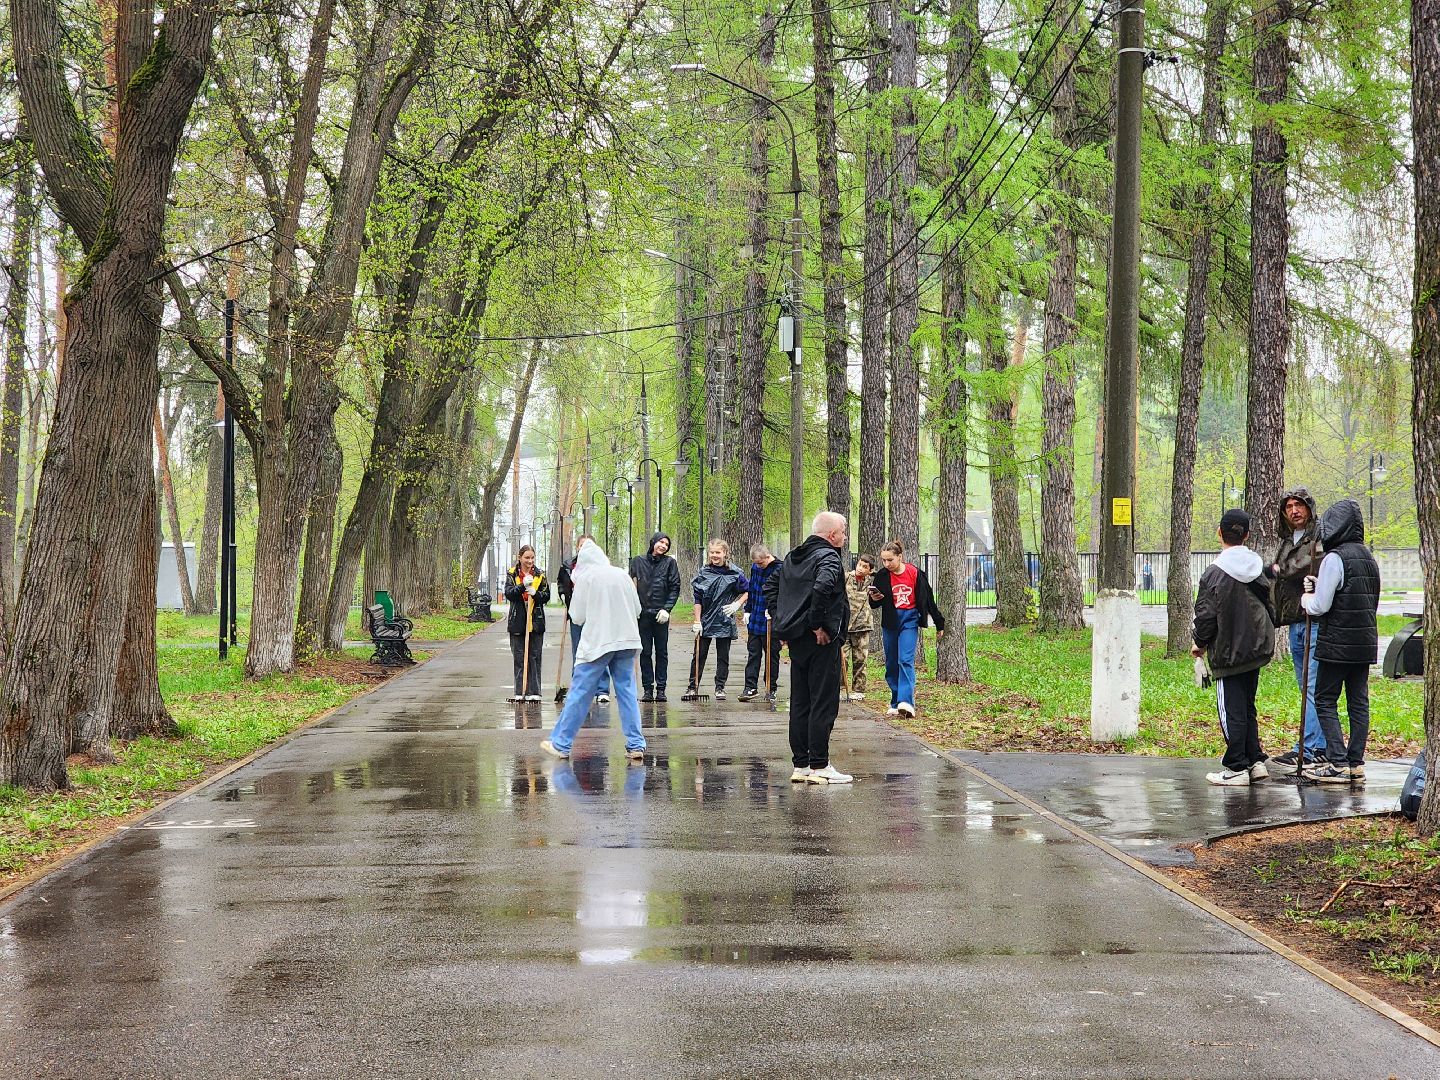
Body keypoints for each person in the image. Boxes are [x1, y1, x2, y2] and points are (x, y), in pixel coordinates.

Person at [764, 511, 851, 784]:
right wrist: (816, 625)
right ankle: (819, 765)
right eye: (843, 531)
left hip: (798, 639)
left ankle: (801, 764)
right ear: (832, 535)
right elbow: (822, 587)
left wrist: (783, 623)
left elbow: (771, 587)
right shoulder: (828, 558)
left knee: (800, 701)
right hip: (820, 639)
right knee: (823, 701)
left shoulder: (793, 557)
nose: (845, 537)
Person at [1191, 509, 1277, 787]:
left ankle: (1236, 767)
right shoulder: (1256, 568)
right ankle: (1255, 761)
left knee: (1231, 710)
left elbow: (1206, 615)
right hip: (1256, 648)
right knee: (1247, 706)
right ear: (1247, 535)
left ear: (1219, 532)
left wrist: (1199, 643)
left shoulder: (1214, 573)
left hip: (1228, 651)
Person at [541, 541, 646, 761]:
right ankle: (636, 744)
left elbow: (577, 616)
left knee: (580, 692)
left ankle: (561, 743)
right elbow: (637, 608)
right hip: (626, 640)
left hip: (598, 643)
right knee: (627, 692)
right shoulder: (622, 575)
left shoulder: (586, 578)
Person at [1301, 499, 1380, 784]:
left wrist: (1306, 598)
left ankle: (1337, 762)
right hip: (1364, 641)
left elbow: (1320, 605)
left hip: (1337, 643)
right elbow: (1362, 596)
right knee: (1358, 702)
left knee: (1324, 699)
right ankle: (1355, 762)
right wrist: (1319, 584)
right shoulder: (1368, 557)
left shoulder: (1334, 558)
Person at [1265, 488, 1326, 774]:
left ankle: (1310, 749)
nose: (1294, 511)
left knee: (1312, 686)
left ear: (1309, 508)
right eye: (1289, 506)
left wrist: (1278, 569)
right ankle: (1318, 745)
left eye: (1299, 505)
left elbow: (1300, 567)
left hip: (1313, 620)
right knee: (1306, 687)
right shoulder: (1288, 541)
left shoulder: (1318, 539)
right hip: (1295, 622)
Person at [867, 540, 945, 718]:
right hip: (890, 621)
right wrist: (875, 598)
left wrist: (939, 622)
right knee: (892, 662)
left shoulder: (915, 573)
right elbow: (874, 604)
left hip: (909, 619)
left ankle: (906, 702)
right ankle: (895, 702)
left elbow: (928, 599)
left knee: (905, 659)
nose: (887, 564)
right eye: (884, 560)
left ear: (900, 557)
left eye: (890, 560)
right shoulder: (882, 576)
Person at [687, 539, 749, 701]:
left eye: (718, 552)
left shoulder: (734, 573)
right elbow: (698, 599)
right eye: (712, 552)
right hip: (705, 619)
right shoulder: (704, 573)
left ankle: (720, 687)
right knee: (699, 654)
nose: (714, 555)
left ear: (725, 553)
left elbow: (748, 590)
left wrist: (737, 604)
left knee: (723, 656)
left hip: (724, 619)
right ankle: (693, 687)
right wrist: (697, 621)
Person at [629, 532, 680, 702]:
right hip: (642, 614)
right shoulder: (637, 561)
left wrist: (667, 609)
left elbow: (674, 587)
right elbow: (630, 585)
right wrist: (633, 608)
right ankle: (647, 689)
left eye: (666, 544)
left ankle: (661, 689)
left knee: (661, 652)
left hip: (660, 615)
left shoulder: (670, 563)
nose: (663, 546)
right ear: (653, 542)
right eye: (661, 542)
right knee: (645, 652)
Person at [558, 535, 609, 704]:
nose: (584, 548)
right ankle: (579, 687)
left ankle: (602, 689)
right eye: (581, 544)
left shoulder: (602, 566)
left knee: (600, 650)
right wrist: (564, 595)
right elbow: (562, 583)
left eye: (588, 544)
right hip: (577, 613)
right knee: (579, 651)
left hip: (597, 614)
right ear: (577, 547)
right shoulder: (568, 566)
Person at [504, 545, 550, 701]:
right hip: (517, 622)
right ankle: (520, 691)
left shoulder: (540, 575)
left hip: (536, 622)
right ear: (520, 557)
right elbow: (509, 594)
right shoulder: (512, 574)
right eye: (527, 558)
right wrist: (522, 586)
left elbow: (546, 596)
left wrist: (535, 594)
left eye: (532, 558)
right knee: (519, 657)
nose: (530, 561)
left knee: (534, 657)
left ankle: (534, 692)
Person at [740, 544, 783, 702]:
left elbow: (783, 593)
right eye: (756, 563)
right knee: (753, 654)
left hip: (771, 618)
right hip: (756, 617)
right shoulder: (755, 568)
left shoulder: (780, 569)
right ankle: (750, 687)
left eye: (760, 563)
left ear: (767, 556)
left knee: (772, 655)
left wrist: (775, 611)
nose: (758, 566)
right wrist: (748, 610)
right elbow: (752, 588)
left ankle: (771, 687)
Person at [842, 554, 876, 699]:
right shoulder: (846, 577)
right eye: (859, 565)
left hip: (862, 625)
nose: (860, 568)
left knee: (860, 659)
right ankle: (841, 688)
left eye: (865, 567)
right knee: (842, 658)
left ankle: (859, 690)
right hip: (845, 625)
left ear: (870, 570)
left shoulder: (872, 582)